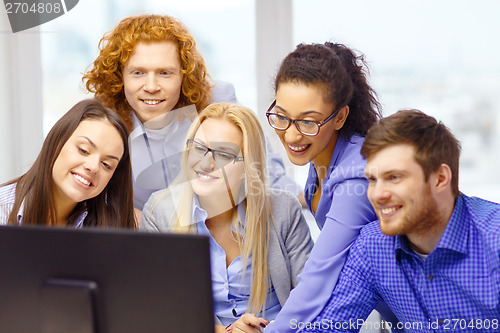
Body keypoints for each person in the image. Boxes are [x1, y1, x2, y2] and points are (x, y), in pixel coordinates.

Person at [299, 109, 500, 332]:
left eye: (394, 177)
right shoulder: (372, 246)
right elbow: (330, 327)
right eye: (373, 179)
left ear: (440, 179)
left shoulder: (494, 238)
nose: (377, 194)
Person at [83, 14, 302, 214]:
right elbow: (92, 190)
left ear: (183, 75)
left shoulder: (217, 100)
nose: (151, 86)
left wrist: (306, 200)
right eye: (138, 73)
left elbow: (263, 169)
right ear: (120, 76)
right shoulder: (104, 117)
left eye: (165, 73)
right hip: (145, 237)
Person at [260, 42, 398, 333]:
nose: (291, 134)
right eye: (282, 116)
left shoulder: (358, 179)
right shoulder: (325, 150)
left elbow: (319, 278)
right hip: (380, 310)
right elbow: (319, 196)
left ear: (339, 117)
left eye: (308, 121)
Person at [141, 103, 314, 333]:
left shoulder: (283, 209)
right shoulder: (159, 212)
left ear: (248, 167)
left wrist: (269, 330)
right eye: (199, 148)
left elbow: (312, 298)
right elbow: (156, 309)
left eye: (223, 154)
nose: (206, 163)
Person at [0, 99, 135, 228]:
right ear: (56, 143)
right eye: (84, 150)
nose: (93, 167)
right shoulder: (3, 210)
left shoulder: (110, 225)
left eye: (106, 164)